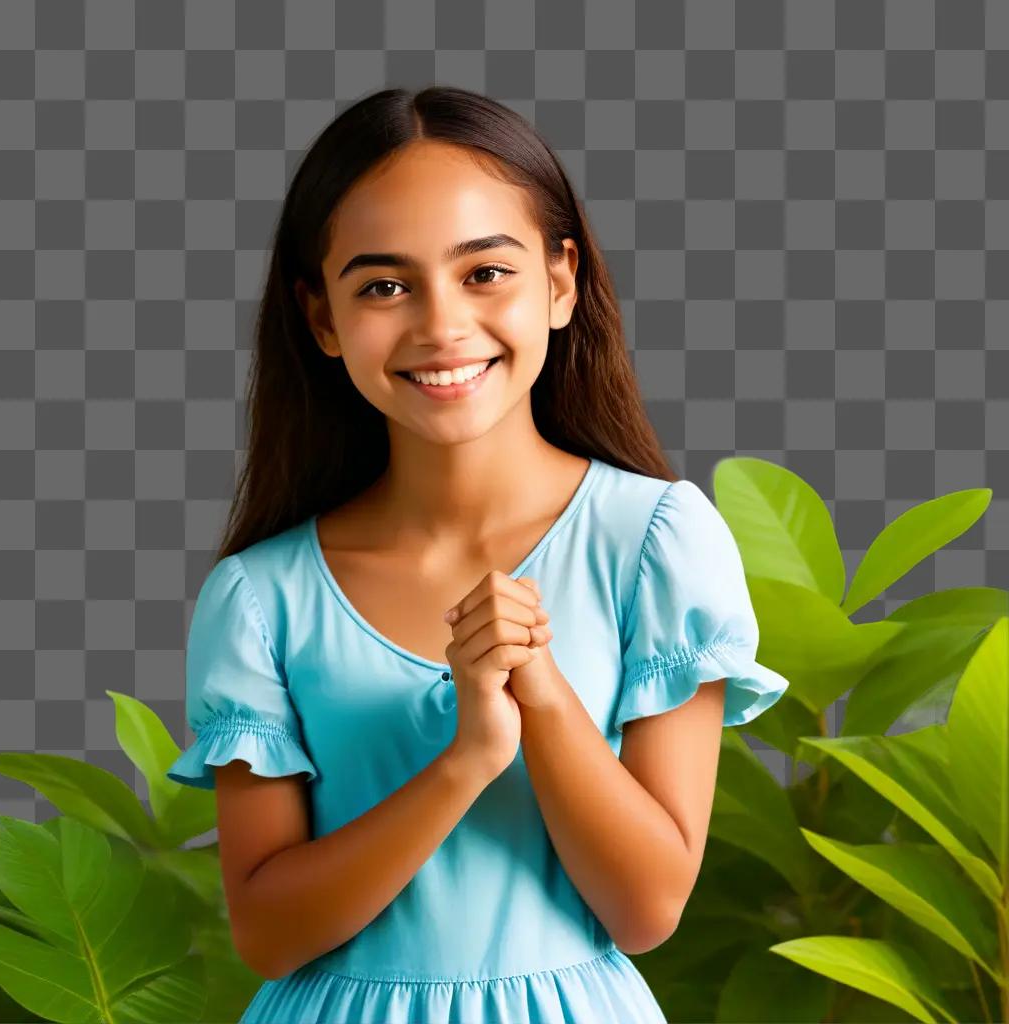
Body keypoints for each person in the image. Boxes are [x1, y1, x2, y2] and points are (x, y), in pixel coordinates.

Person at [165, 84, 789, 1024]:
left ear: (561, 279)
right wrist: (467, 757)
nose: (441, 325)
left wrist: (540, 695)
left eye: (484, 272)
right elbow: (268, 932)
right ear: (322, 318)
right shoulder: (260, 596)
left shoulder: (657, 543)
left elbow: (649, 906)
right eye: (383, 286)